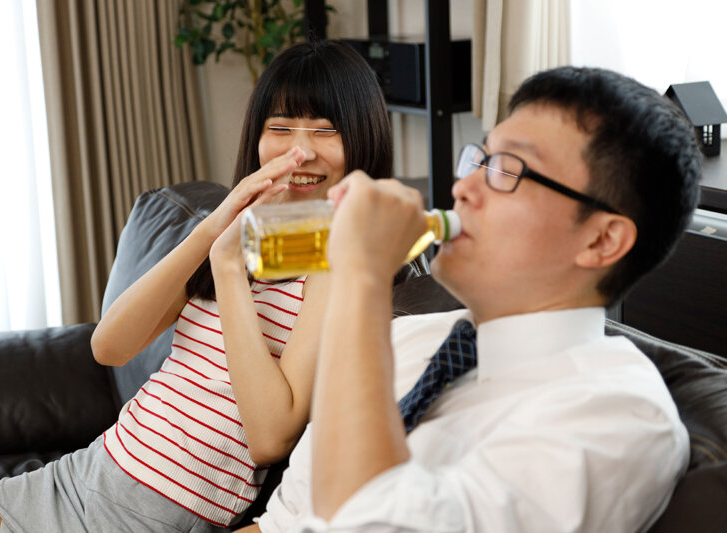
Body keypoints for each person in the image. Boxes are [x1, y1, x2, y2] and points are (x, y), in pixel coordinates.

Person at [0, 39, 392, 533]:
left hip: (150, 515)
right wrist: (215, 228)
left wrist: (228, 269)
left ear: (362, 138)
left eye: (326, 130)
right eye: (280, 128)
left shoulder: (336, 263)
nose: (301, 150)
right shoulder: (240, 234)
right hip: (85, 472)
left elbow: (269, 438)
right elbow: (109, 346)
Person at [242, 66, 702, 532]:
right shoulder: (402, 338)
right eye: (479, 160)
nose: (462, 188)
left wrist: (361, 276)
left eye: (507, 170)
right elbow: (280, 523)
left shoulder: (618, 415)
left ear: (601, 240)